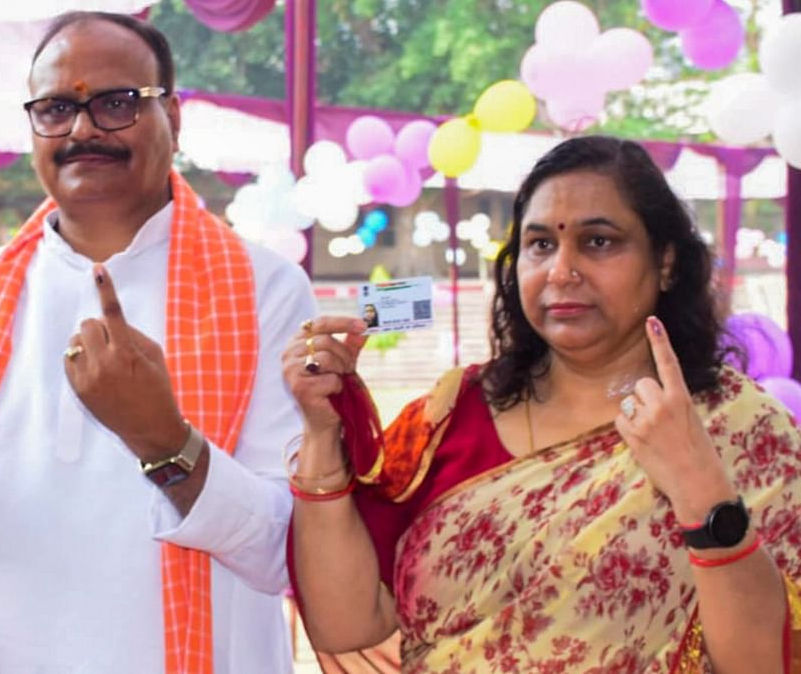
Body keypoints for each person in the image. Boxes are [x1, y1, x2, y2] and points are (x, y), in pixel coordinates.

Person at [0, 11, 314, 674]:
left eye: (115, 103)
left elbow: (288, 548)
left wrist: (167, 442)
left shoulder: (267, 289)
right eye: (56, 107)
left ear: (173, 112)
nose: (82, 128)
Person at [285, 136, 801, 672]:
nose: (561, 272)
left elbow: (764, 662)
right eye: (540, 245)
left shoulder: (740, 428)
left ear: (666, 262)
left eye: (599, 242)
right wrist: (322, 435)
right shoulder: (449, 414)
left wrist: (701, 490)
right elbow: (345, 623)